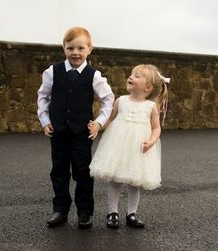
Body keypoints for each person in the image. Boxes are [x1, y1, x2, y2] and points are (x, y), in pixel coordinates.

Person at [37, 27, 114, 229]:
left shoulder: (94, 75)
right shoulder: (51, 72)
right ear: (64, 48)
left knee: (82, 172)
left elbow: (108, 99)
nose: (75, 52)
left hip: (82, 133)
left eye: (81, 48)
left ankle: (85, 212)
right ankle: (60, 210)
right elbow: (42, 98)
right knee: (59, 171)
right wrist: (45, 121)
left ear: (90, 49)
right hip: (58, 132)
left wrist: (98, 123)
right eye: (70, 48)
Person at [88, 64, 170, 229]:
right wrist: (98, 125)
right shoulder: (121, 100)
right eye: (132, 74)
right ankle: (112, 213)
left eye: (137, 76)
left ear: (147, 87)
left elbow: (156, 128)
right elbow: (110, 119)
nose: (131, 77)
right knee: (115, 180)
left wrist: (152, 141)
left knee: (135, 181)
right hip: (119, 145)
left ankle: (132, 213)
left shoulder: (150, 106)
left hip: (138, 148)